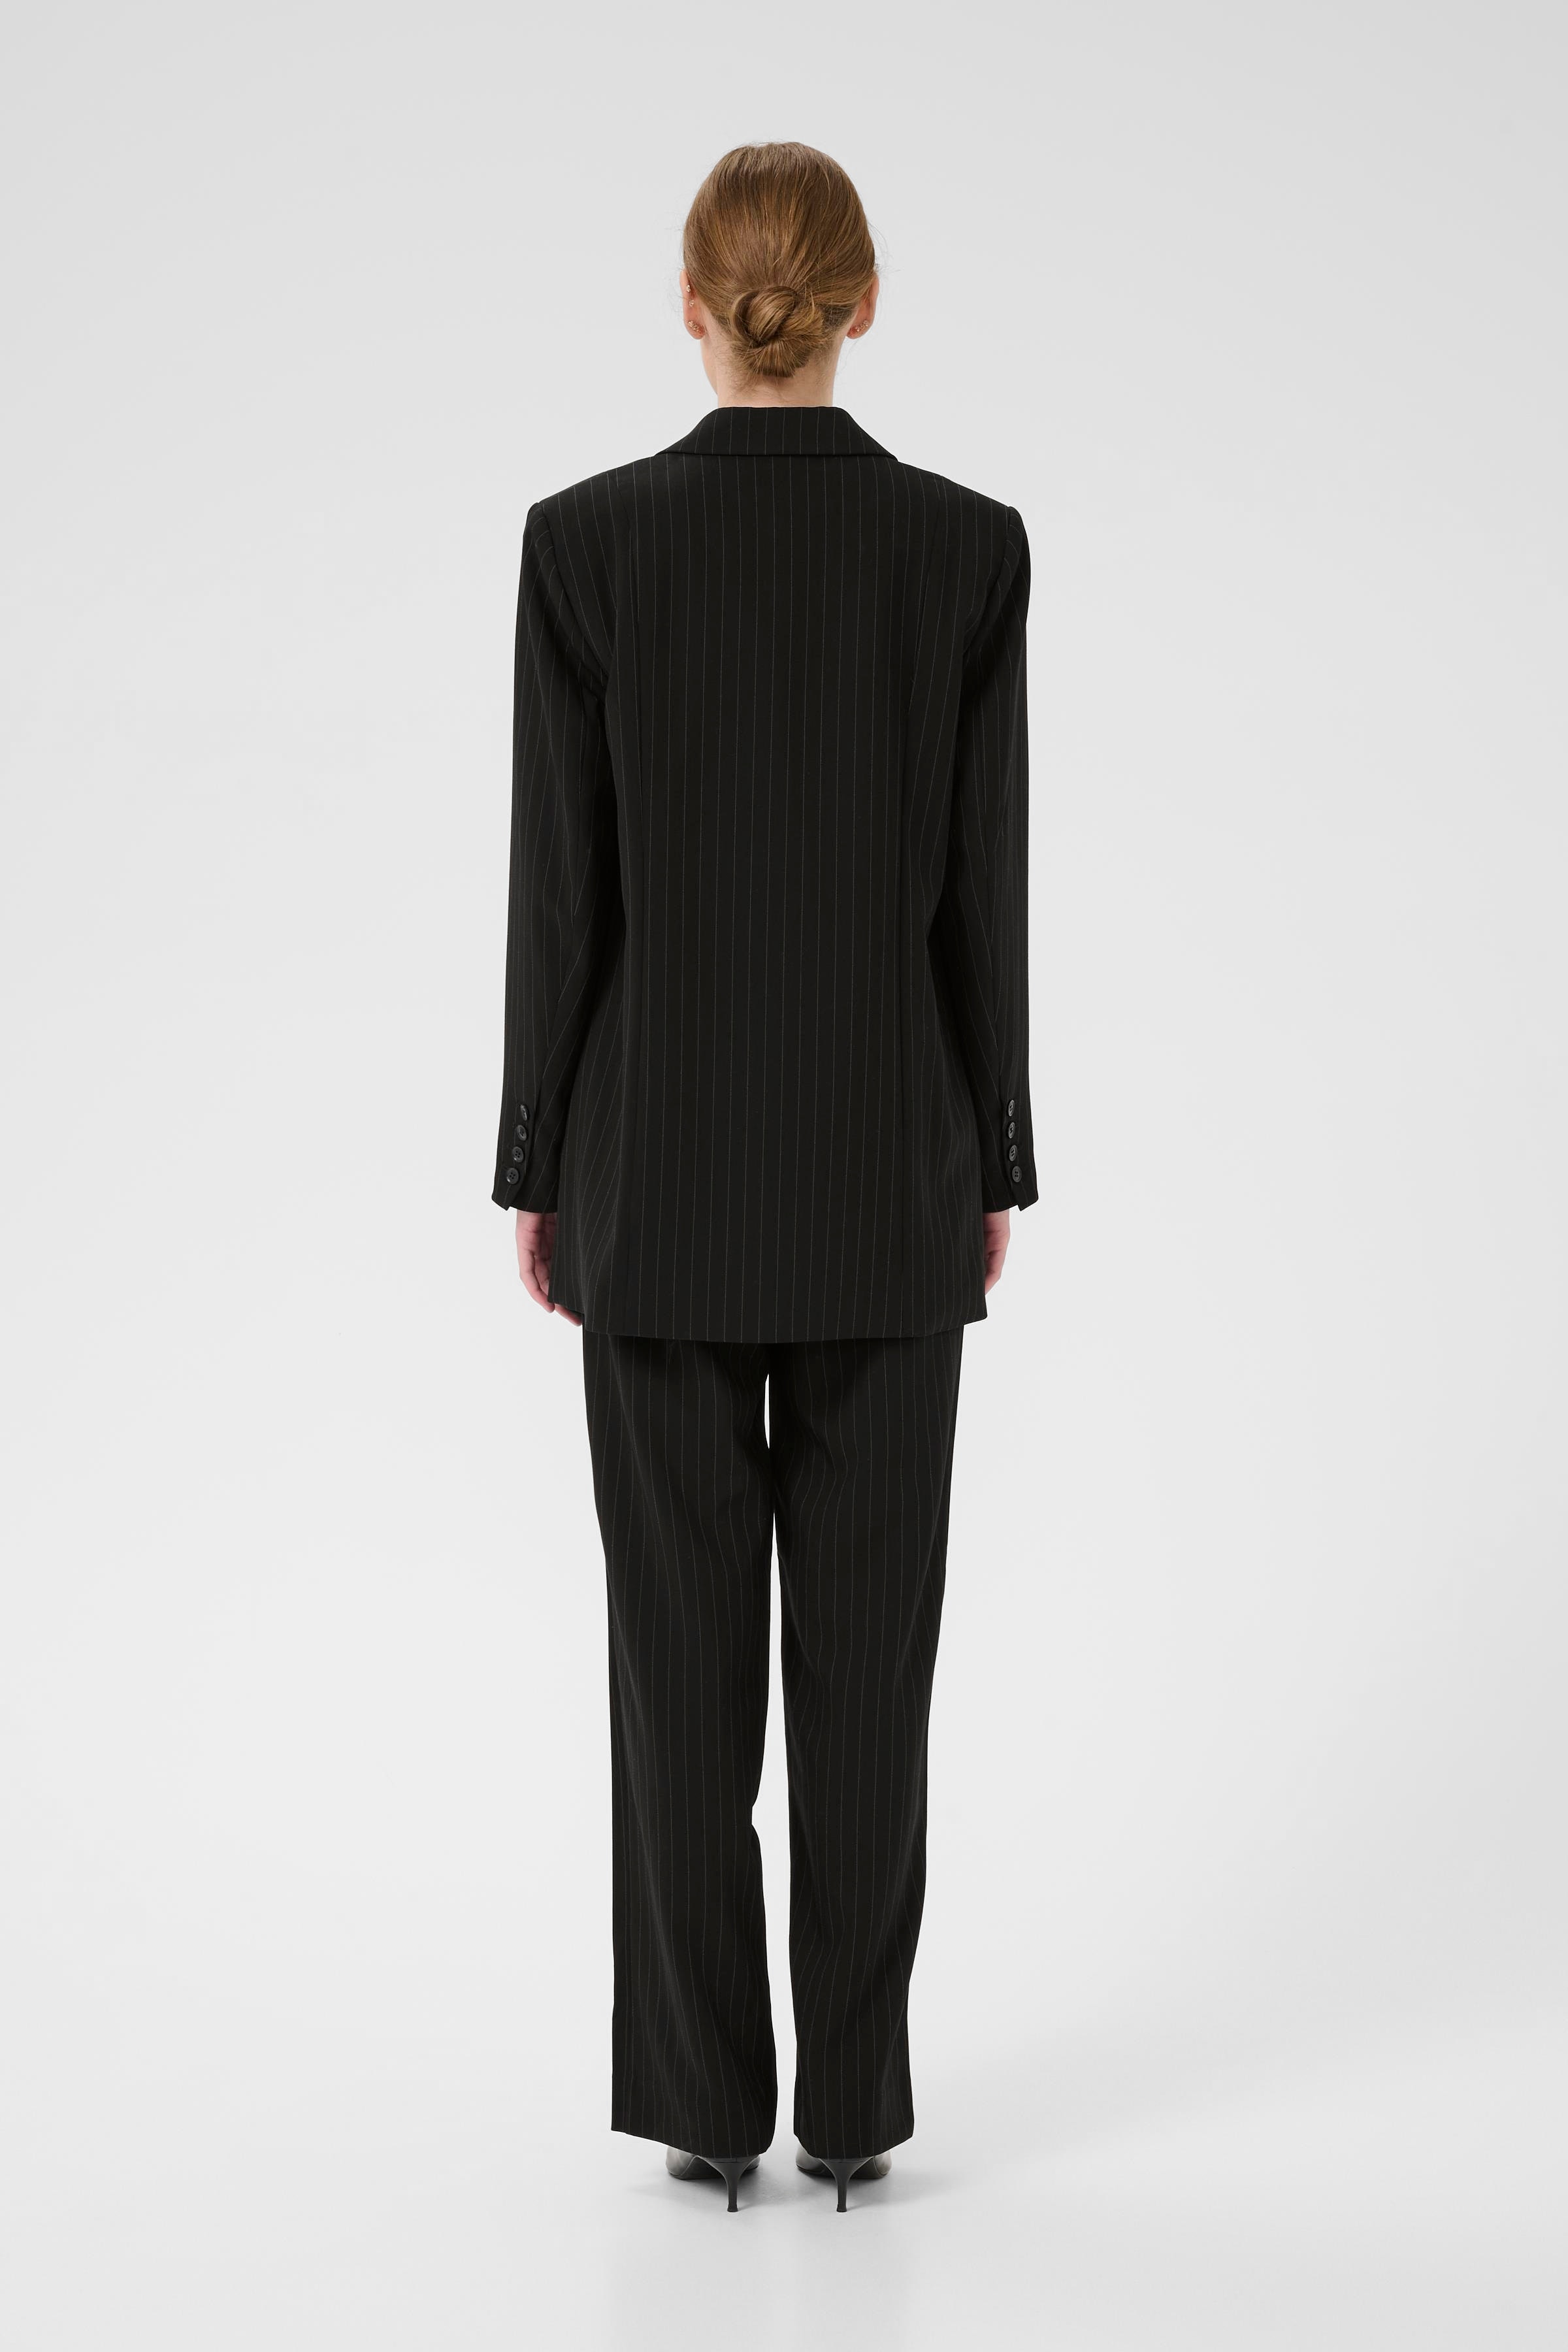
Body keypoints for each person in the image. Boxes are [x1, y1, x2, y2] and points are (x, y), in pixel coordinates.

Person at [492, 142, 1034, 2214]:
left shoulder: (586, 548)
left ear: (692, 306)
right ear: (862, 306)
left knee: (679, 1678)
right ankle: (860, 2110)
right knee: (870, 1681)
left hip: (654, 1179)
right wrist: (992, 1157)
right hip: (892, 1180)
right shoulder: (963, 551)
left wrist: (538, 1159)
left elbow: (566, 894)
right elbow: (982, 890)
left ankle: (709, 2107)